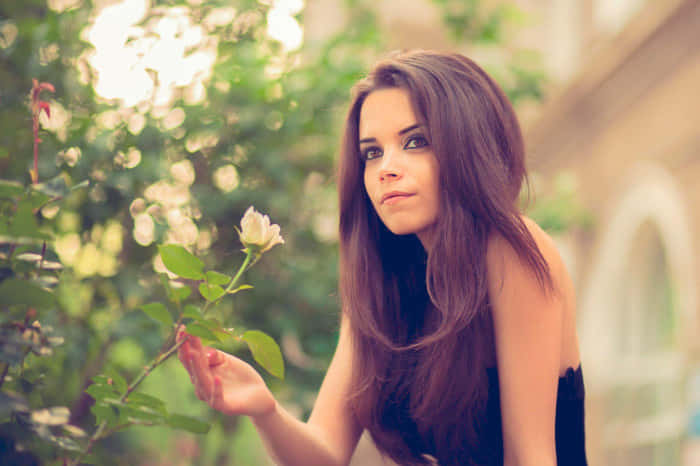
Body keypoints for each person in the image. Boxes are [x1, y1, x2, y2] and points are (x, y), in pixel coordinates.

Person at [177, 50, 587, 466]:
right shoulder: (384, 280)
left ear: (469, 145)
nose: (385, 169)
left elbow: (531, 457)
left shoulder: (510, 251)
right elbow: (325, 453)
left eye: (415, 142)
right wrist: (264, 409)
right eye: (372, 152)